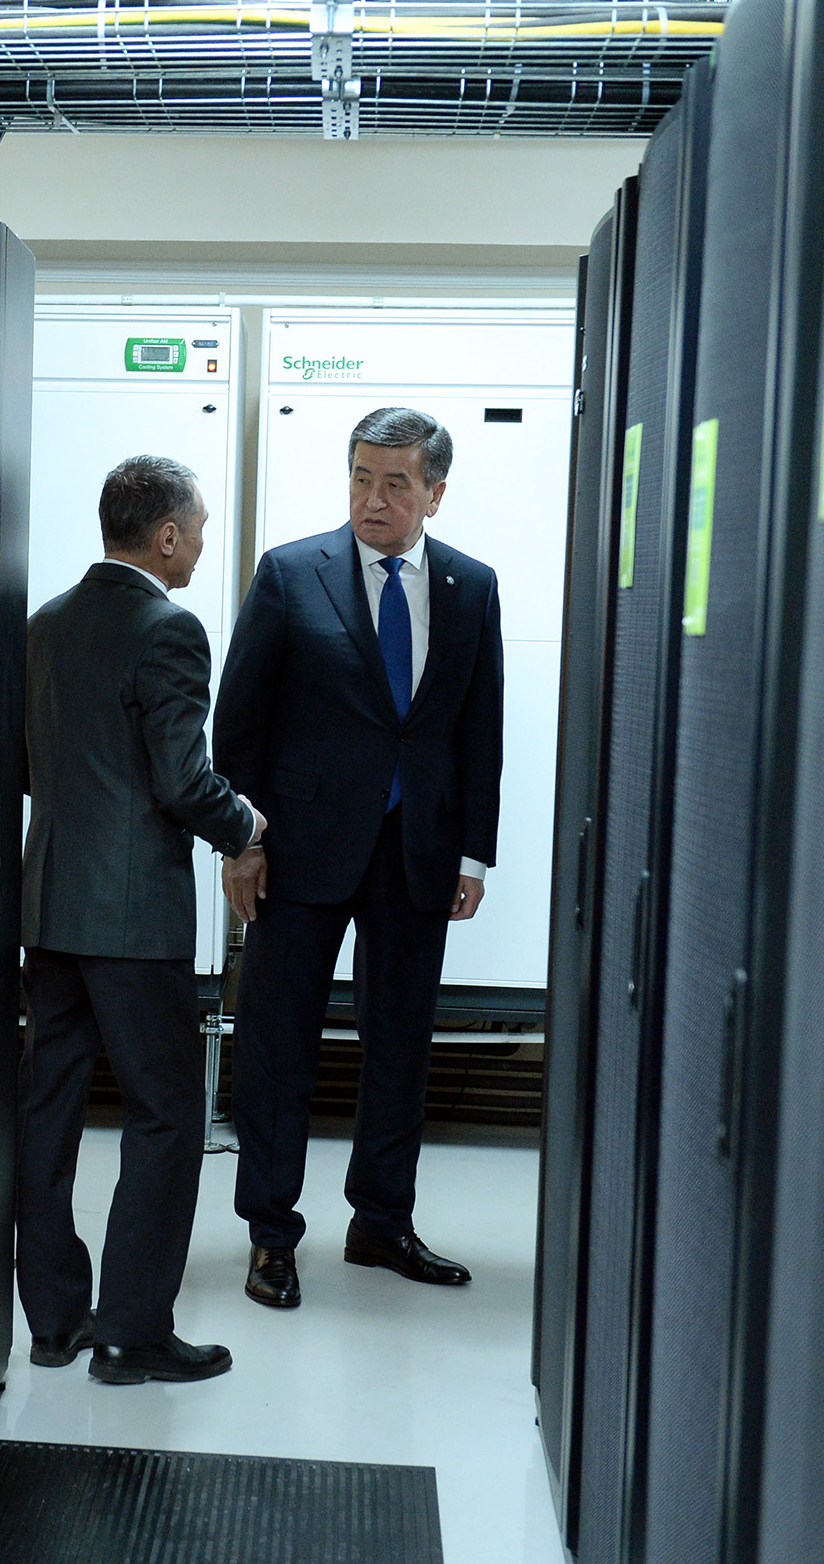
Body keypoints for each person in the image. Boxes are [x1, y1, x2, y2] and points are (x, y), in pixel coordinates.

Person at [214, 406, 503, 1310]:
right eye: (361, 478)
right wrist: (242, 841)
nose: (373, 499)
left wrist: (475, 853)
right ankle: (271, 1234)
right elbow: (239, 721)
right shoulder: (290, 573)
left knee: (400, 1044)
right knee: (277, 1044)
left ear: (435, 494)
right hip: (299, 850)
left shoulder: (470, 586)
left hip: (417, 850)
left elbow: (480, 728)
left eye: (395, 483)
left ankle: (381, 1221)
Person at [18, 453, 264, 1383]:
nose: (198, 545)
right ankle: (130, 1333)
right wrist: (246, 826)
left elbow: (29, 765)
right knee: (165, 1115)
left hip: (51, 910)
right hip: (133, 923)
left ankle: (54, 1323)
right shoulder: (169, 629)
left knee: (48, 1113)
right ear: (165, 537)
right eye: (196, 531)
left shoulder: (46, 624)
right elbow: (183, 782)